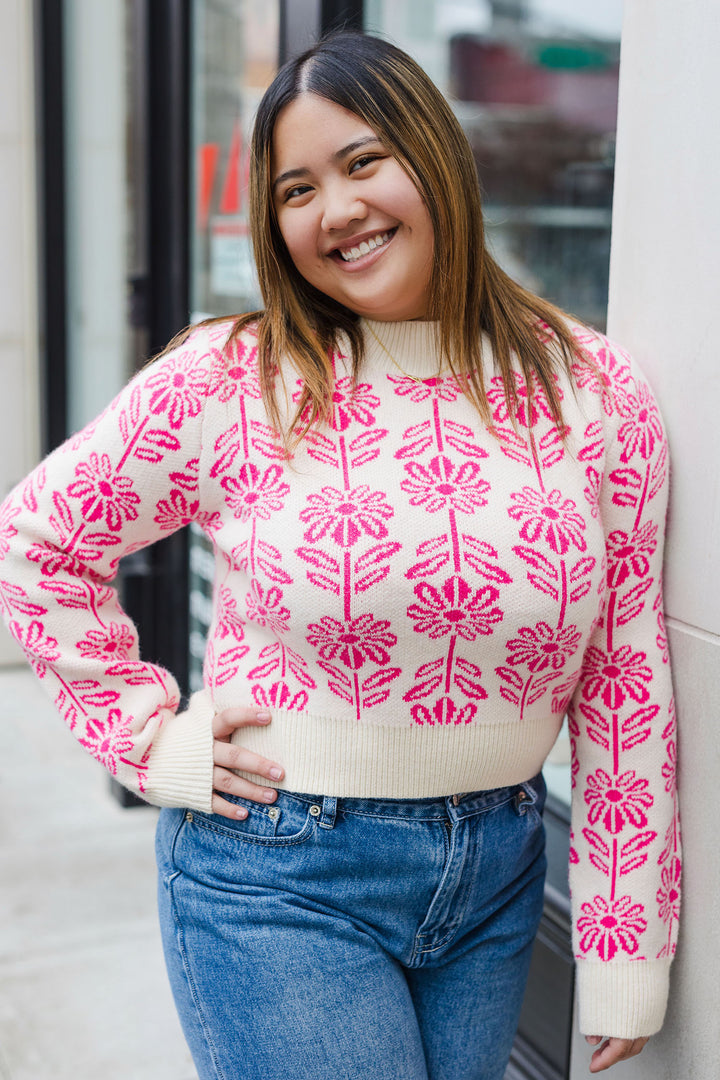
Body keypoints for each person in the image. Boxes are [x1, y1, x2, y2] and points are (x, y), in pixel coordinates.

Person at [0, 30, 678, 1080]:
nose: (338, 212)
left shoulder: (593, 388)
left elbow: (625, 671)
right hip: (278, 871)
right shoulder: (232, 379)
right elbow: (39, 541)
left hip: (500, 873)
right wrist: (145, 738)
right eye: (296, 190)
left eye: (364, 163)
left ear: (437, 156)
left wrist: (628, 938)